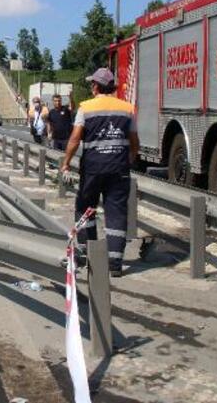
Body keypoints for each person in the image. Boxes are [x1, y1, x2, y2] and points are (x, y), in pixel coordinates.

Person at [60, 67, 139, 277]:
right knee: (117, 213)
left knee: (85, 207)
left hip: (93, 169)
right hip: (118, 169)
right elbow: (134, 143)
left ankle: (88, 255)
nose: (91, 87)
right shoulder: (127, 108)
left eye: (91, 84)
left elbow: (75, 139)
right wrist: (127, 161)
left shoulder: (86, 108)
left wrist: (66, 163)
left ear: (96, 86)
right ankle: (114, 264)